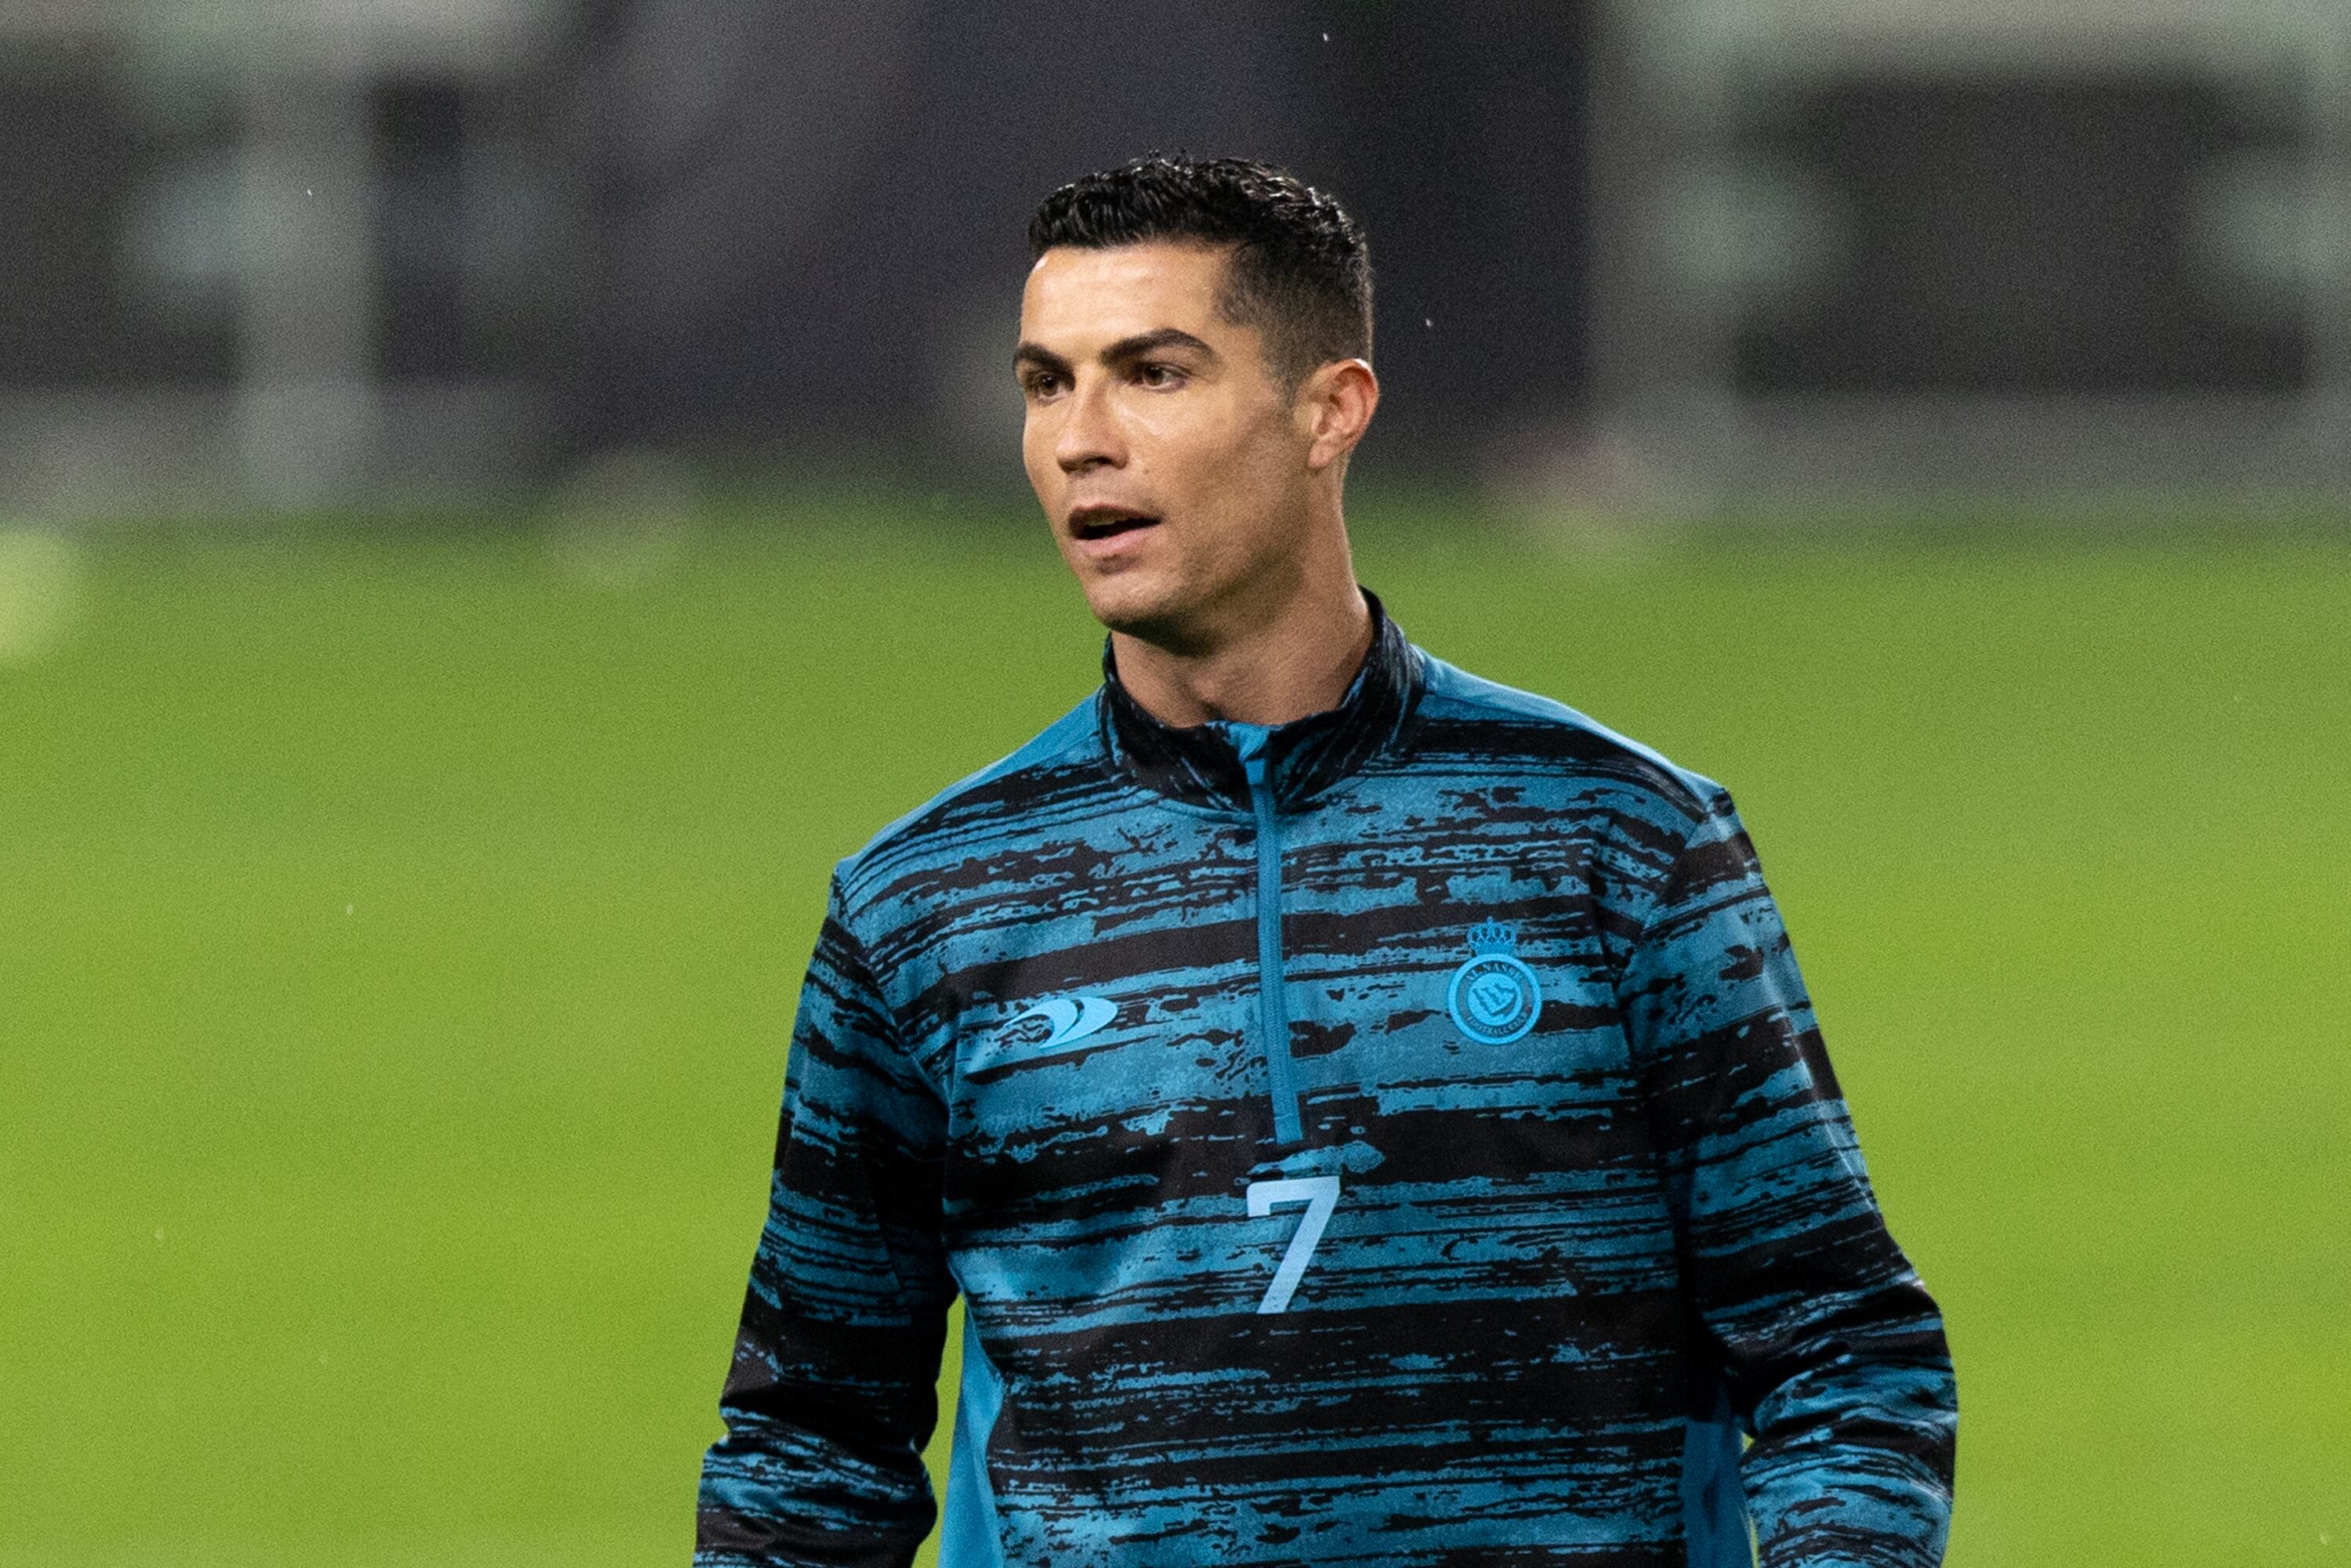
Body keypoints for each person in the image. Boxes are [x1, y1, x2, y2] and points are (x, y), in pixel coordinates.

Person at [695, 154, 1956, 1568]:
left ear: (1329, 409)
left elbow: (1840, 1344)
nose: (1080, 439)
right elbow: (812, 1443)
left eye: (1154, 373)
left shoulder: (1621, 842)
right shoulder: (927, 907)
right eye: (1047, 383)